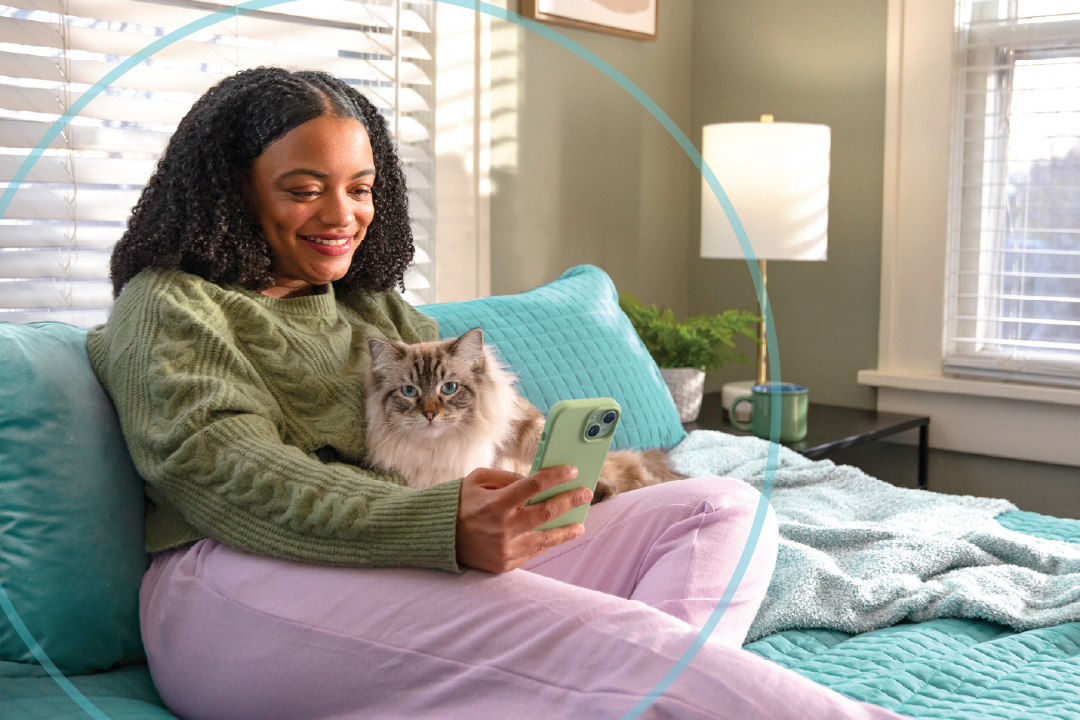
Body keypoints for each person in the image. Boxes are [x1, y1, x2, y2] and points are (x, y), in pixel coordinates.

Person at [88, 67, 905, 719]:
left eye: (362, 187)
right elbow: (226, 473)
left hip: (404, 555)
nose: (343, 214)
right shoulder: (170, 304)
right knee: (623, 642)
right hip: (234, 586)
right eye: (305, 189)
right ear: (233, 191)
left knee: (721, 507)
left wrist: (541, 479)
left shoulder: (368, 303)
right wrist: (441, 522)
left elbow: (489, 412)